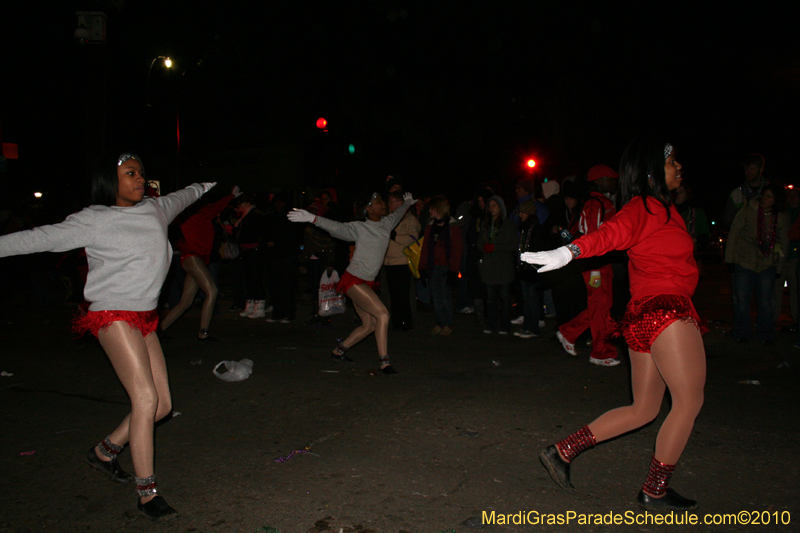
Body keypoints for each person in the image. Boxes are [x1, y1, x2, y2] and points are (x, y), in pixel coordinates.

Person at [0, 152, 215, 520]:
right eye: (130, 174)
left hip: (145, 317)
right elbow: (36, 239)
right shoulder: (94, 219)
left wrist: (211, 183)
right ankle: (147, 494)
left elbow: (188, 193)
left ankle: (104, 451)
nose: (140, 180)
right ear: (109, 181)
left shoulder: (156, 209)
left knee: (161, 406)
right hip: (112, 314)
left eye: (142, 174)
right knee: (145, 399)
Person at [522, 140, 705, 510]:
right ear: (652, 171)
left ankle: (562, 452)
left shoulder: (663, 209)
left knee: (645, 409)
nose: (679, 166)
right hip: (665, 311)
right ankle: (655, 490)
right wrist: (567, 252)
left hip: (644, 314)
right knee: (688, 401)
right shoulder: (647, 206)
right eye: (671, 161)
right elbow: (611, 234)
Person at [288, 191, 417, 374]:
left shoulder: (387, 224)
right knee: (383, 315)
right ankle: (384, 362)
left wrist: (408, 203)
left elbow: (398, 213)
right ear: (368, 208)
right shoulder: (359, 227)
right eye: (379, 202)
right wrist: (312, 218)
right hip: (354, 280)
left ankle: (338, 351)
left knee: (369, 325)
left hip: (367, 283)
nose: (383, 204)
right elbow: (336, 227)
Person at [555, 164, 620, 366]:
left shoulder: (602, 202)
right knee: (600, 306)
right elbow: (592, 237)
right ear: (599, 181)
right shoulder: (595, 204)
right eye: (610, 178)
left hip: (601, 263)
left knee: (602, 305)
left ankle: (569, 333)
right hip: (595, 265)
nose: (614, 181)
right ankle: (600, 352)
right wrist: (594, 266)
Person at [158, 186, 239, 340]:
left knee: (186, 302)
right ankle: (203, 332)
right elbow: (165, 206)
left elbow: (217, 206)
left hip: (200, 259)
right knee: (212, 291)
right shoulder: (185, 215)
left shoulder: (203, 213)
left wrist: (231, 196)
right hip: (191, 257)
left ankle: (159, 330)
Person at [725, 183, 789, 344]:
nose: (764, 199)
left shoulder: (781, 217)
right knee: (742, 301)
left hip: (767, 263)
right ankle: (742, 333)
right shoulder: (748, 210)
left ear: (776, 200)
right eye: (764, 195)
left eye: (769, 197)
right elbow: (734, 233)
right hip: (744, 261)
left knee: (766, 302)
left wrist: (779, 266)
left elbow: (784, 242)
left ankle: (766, 334)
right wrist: (730, 259)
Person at [418, 195, 463, 336]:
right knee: (436, 297)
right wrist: (422, 268)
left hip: (445, 268)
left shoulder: (453, 227)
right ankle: (440, 323)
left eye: (431, 208)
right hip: (433, 266)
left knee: (445, 297)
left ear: (438, 209)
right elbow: (425, 248)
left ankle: (448, 324)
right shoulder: (430, 227)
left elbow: (457, 249)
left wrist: (453, 270)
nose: (429, 211)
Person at [476, 195, 518, 335]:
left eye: (495, 205)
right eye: (490, 205)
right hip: (489, 266)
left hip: (503, 266)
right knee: (490, 298)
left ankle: (505, 324)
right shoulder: (485, 224)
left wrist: (496, 247)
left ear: (501, 207)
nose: (492, 208)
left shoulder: (508, 224)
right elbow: (479, 243)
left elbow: (513, 245)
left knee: (505, 298)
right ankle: (491, 323)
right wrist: (484, 247)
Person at [382, 190, 421, 331]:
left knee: (402, 295)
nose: (389, 205)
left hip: (402, 262)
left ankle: (405, 322)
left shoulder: (410, 220)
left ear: (400, 203)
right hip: (388, 262)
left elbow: (413, 239)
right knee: (393, 294)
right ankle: (396, 322)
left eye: (392, 202)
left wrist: (395, 237)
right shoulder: (389, 218)